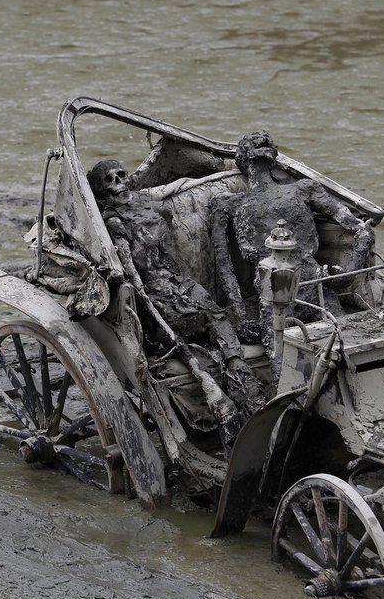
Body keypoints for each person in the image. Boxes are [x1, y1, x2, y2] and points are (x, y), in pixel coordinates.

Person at [88, 160, 266, 426]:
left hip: (176, 279)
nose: (120, 184)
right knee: (184, 317)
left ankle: (237, 366)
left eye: (121, 176)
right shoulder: (113, 223)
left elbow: (168, 230)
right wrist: (144, 298)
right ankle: (209, 385)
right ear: (102, 192)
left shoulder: (146, 204)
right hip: (151, 290)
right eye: (110, 181)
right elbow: (129, 269)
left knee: (212, 309)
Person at [211, 130, 376, 353]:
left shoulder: (303, 189)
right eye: (257, 143)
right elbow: (224, 265)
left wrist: (351, 264)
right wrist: (239, 313)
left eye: (265, 141)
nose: (263, 141)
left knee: (344, 347)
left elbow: (357, 226)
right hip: (273, 292)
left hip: (314, 285)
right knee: (285, 356)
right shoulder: (227, 205)